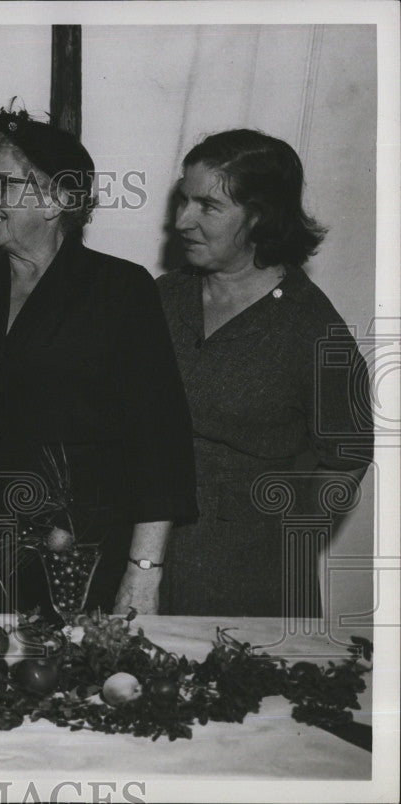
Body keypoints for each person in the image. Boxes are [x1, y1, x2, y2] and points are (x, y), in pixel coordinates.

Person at [0, 109, 198, 615]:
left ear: (59, 198)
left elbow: (159, 438)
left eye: (5, 186)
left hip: (85, 565)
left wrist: (143, 572)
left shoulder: (119, 291)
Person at [158, 129, 373, 616]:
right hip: (145, 556)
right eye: (183, 200)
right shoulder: (164, 298)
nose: (181, 220)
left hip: (249, 582)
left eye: (207, 206)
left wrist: (278, 534)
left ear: (259, 216)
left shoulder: (312, 328)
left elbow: (348, 456)